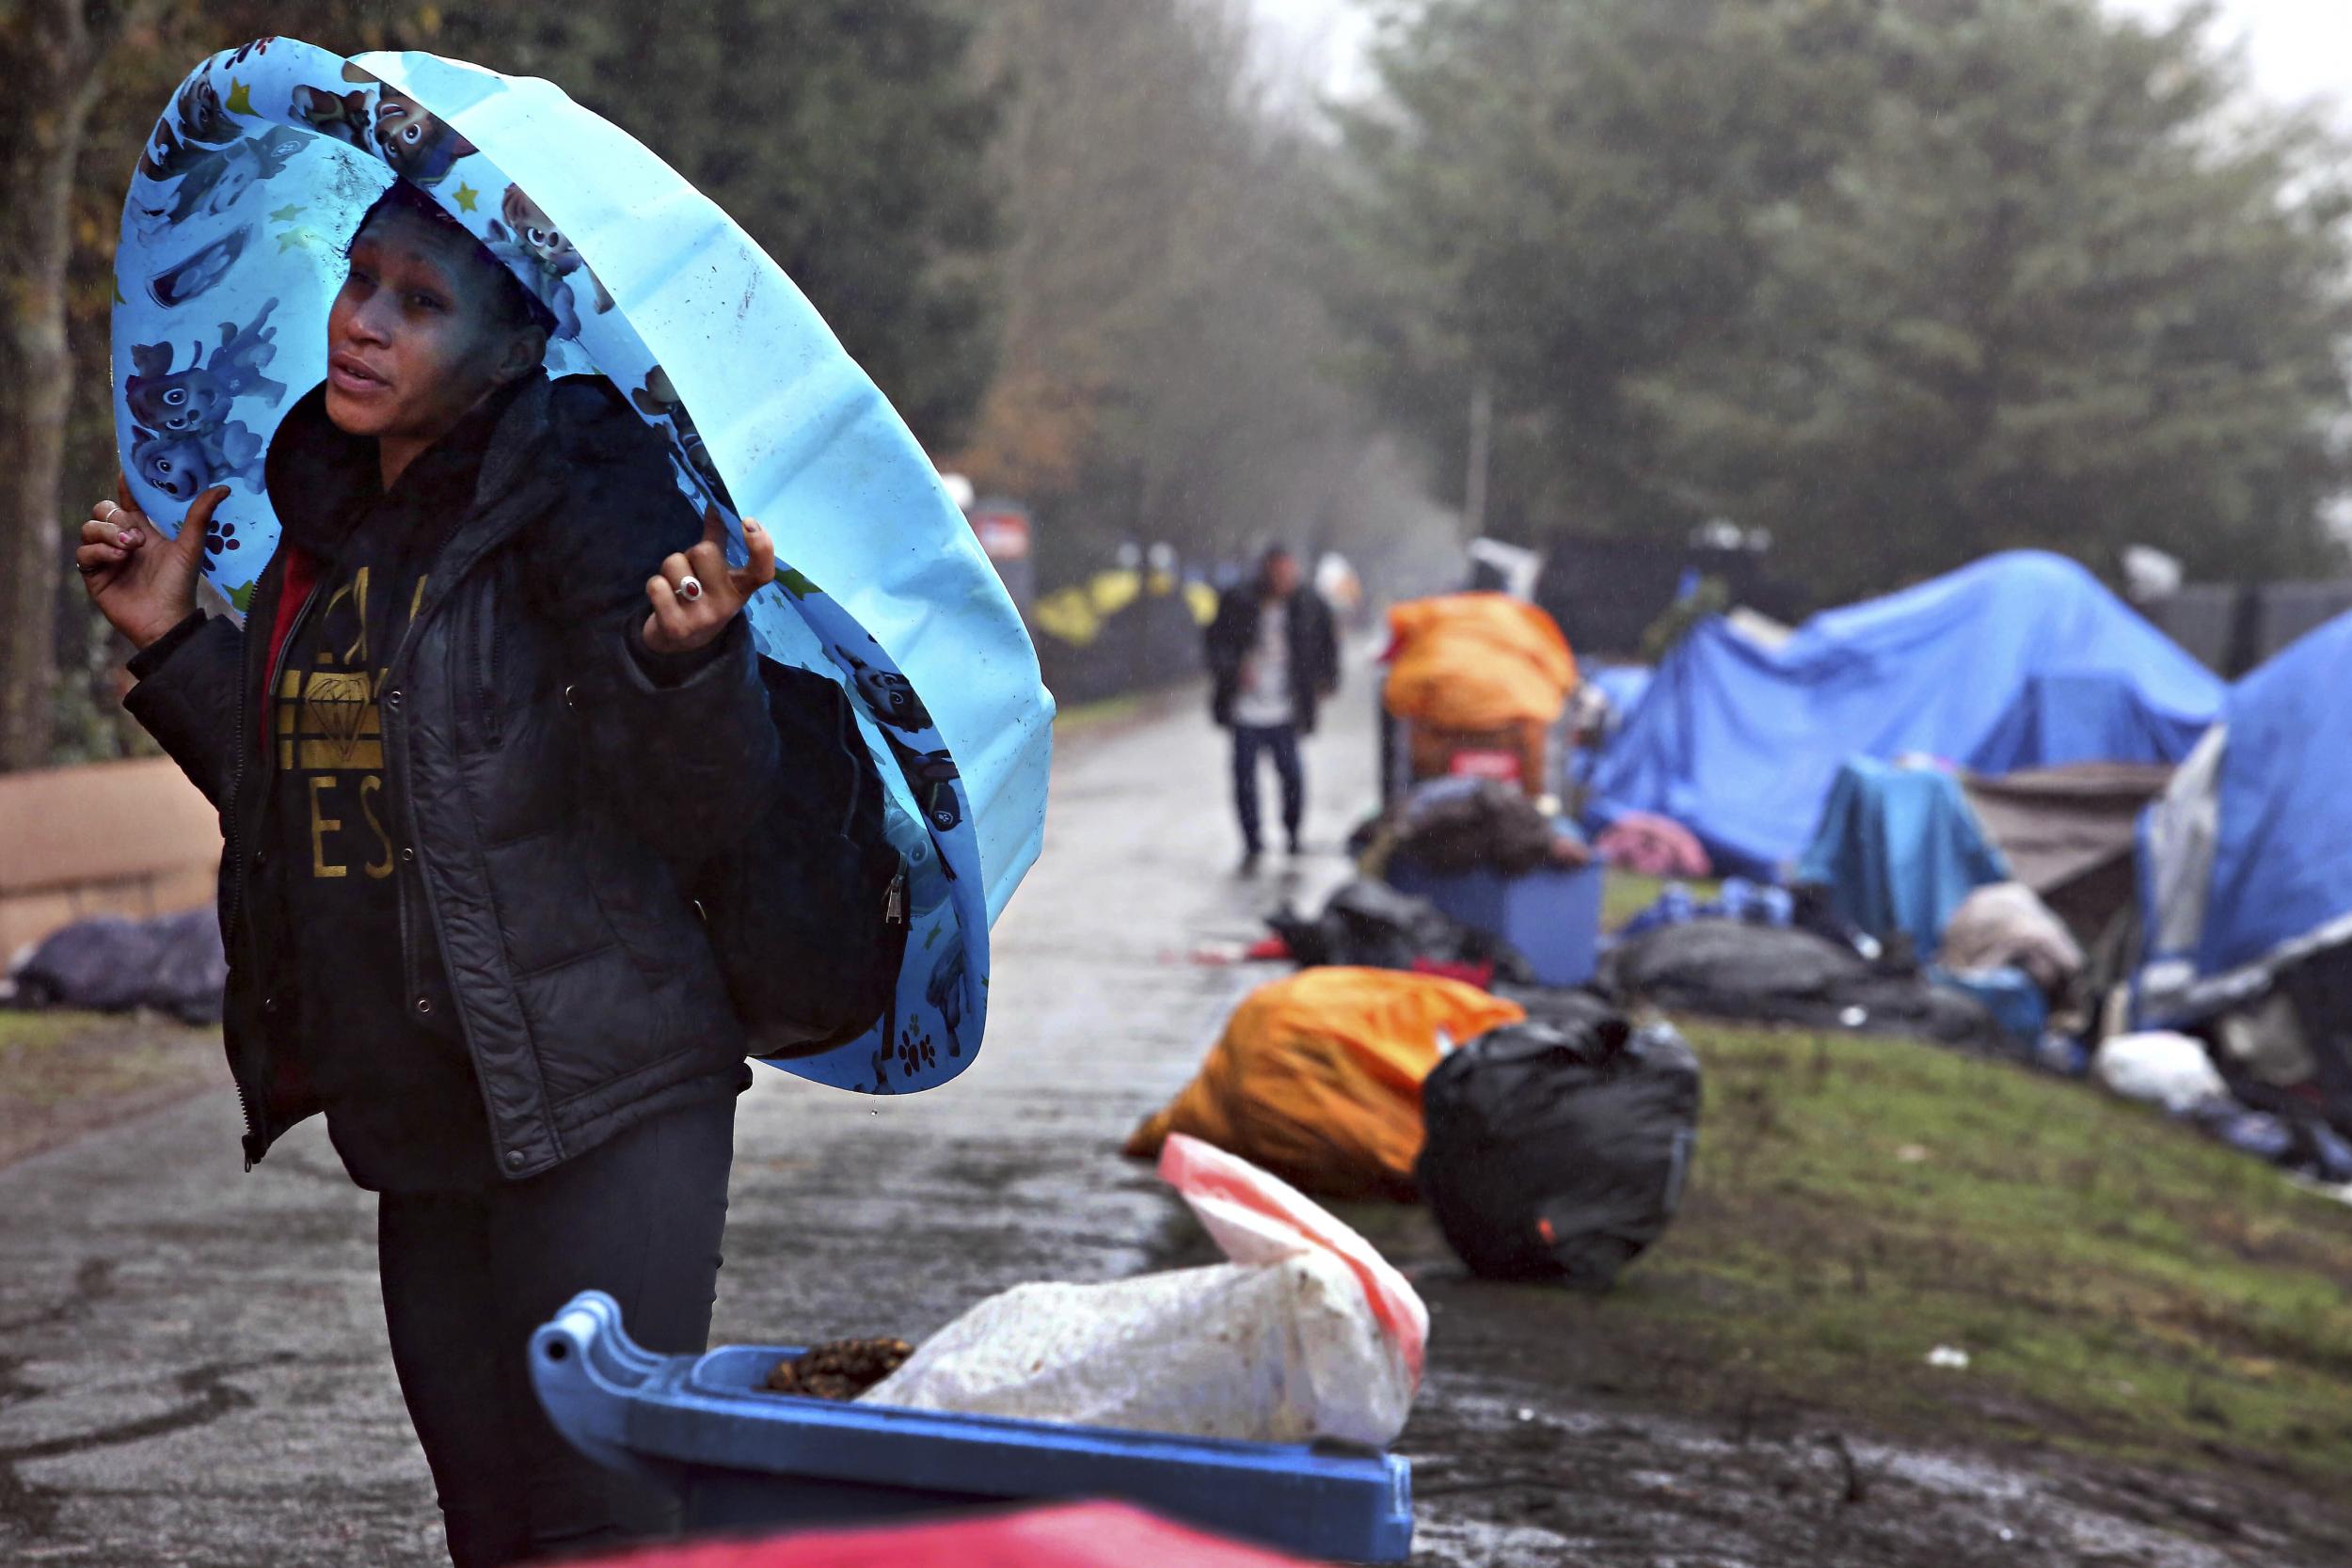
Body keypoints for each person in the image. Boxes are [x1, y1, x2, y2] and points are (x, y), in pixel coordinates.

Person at [73, 180, 789, 1566]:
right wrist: (174, 641)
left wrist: (684, 666)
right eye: (360, 281)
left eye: (419, 302)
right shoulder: (328, 526)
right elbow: (315, 803)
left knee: (600, 1527)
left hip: (600, 1097)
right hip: (420, 1110)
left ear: (513, 346)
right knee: (489, 1527)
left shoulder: (584, 494)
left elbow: (703, 808)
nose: (362, 323)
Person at [1205, 545, 1340, 873]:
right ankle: (1252, 841)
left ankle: (1293, 835)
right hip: (1246, 708)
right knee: (1244, 779)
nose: (1284, 580)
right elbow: (1215, 645)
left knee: (1292, 775)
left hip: (1286, 706)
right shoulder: (1237, 601)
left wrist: (1326, 680)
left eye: (1288, 573)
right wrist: (1234, 669)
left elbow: (1326, 643)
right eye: (1278, 574)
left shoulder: (1308, 604)